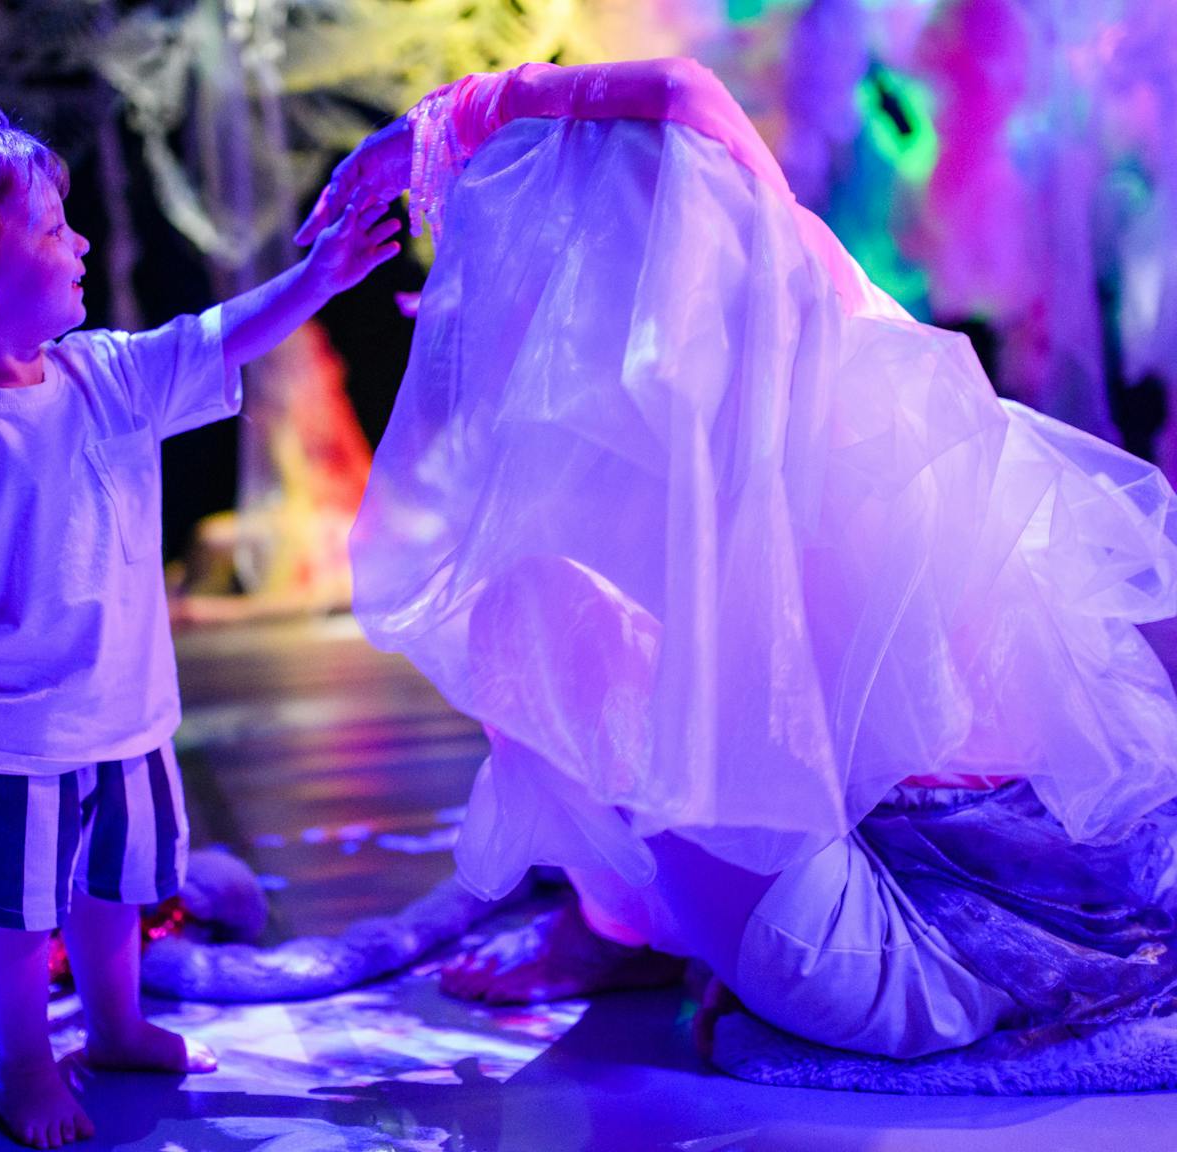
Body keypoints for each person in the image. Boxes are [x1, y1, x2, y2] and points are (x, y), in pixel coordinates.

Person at [298, 60, 1177, 1059]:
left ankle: (625, 930)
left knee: (530, 609)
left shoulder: (774, 414)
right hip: (921, 927)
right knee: (604, 640)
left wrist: (441, 122)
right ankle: (632, 930)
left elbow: (680, 96)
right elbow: (686, 106)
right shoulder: (830, 329)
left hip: (875, 961)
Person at [0, 106, 398, 1148]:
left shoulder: (104, 376)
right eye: (51, 229)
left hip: (129, 718)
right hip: (15, 746)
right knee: (16, 917)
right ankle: (27, 1063)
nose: (78, 242)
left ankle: (119, 1025)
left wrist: (317, 281)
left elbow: (222, 334)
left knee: (115, 889)